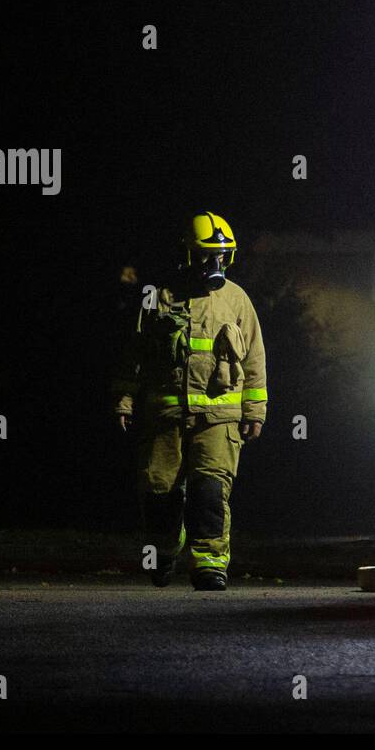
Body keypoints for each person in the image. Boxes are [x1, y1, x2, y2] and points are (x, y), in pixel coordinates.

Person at [114, 212, 267, 591]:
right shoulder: (159, 296)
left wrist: (255, 411)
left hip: (219, 419)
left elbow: (254, 360)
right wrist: (124, 400)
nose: (215, 264)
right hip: (164, 416)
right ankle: (165, 552)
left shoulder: (237, 301)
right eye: (206, 255)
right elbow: (133, 354)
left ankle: (210, 564)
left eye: (222, 256)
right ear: (186, 253)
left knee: (209, 493)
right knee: (159, 493)